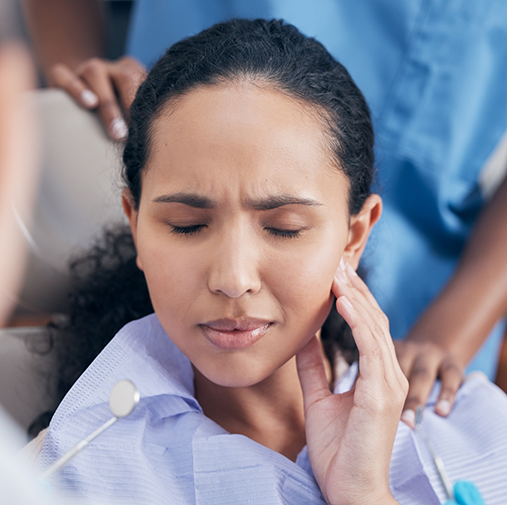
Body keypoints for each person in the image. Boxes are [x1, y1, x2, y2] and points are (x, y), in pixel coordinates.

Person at [31, 19, 507, 505]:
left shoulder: (477, 429)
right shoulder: (71, 472)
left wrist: (363, 493)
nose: (233, 280)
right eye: (187, 226)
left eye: (284, 228)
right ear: (135, 225)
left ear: (355, 235)